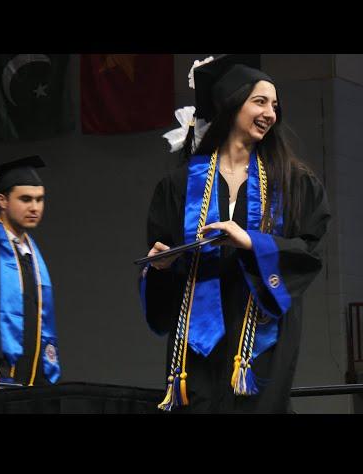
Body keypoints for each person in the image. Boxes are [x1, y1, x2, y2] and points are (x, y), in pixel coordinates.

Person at [140, 54, 331, 413]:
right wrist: (159, 268)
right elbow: (161, 258)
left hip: (260, 342)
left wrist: (251, 242)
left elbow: (308, 252)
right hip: (196, 345)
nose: (270, 113)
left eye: (275, 105)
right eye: (259, 101)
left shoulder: (294, 183)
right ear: (232, 105)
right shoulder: (178, 186)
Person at [0, 156, 60, 386]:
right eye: (25, 199)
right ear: (2, 200)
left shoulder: (32, 257)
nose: (35, 207)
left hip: (33, 380)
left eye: (39, 199)